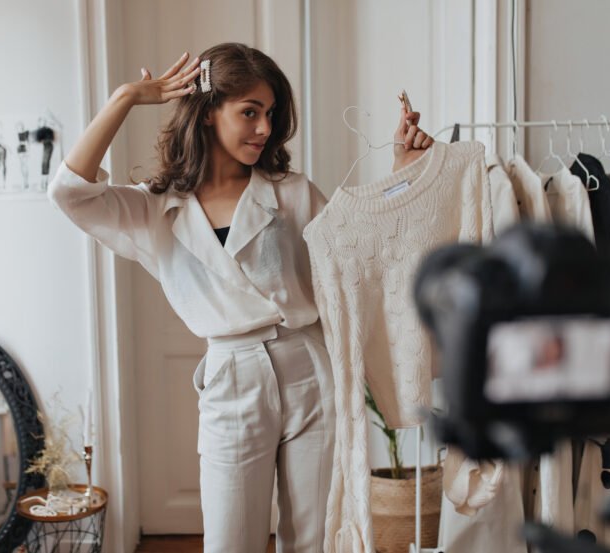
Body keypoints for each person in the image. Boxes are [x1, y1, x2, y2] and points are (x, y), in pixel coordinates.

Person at [48, 42, 433, 553]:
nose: (264, 129)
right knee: (230, 542)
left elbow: (362, 253)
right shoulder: (155, 209)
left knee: (314, 539)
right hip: (232, 376)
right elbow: (69, 193)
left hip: (309, 365)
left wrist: (405, 169)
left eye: (270, 113)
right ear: (208, 113)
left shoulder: (292, 192)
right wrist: (125, 97)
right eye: (249, 112)